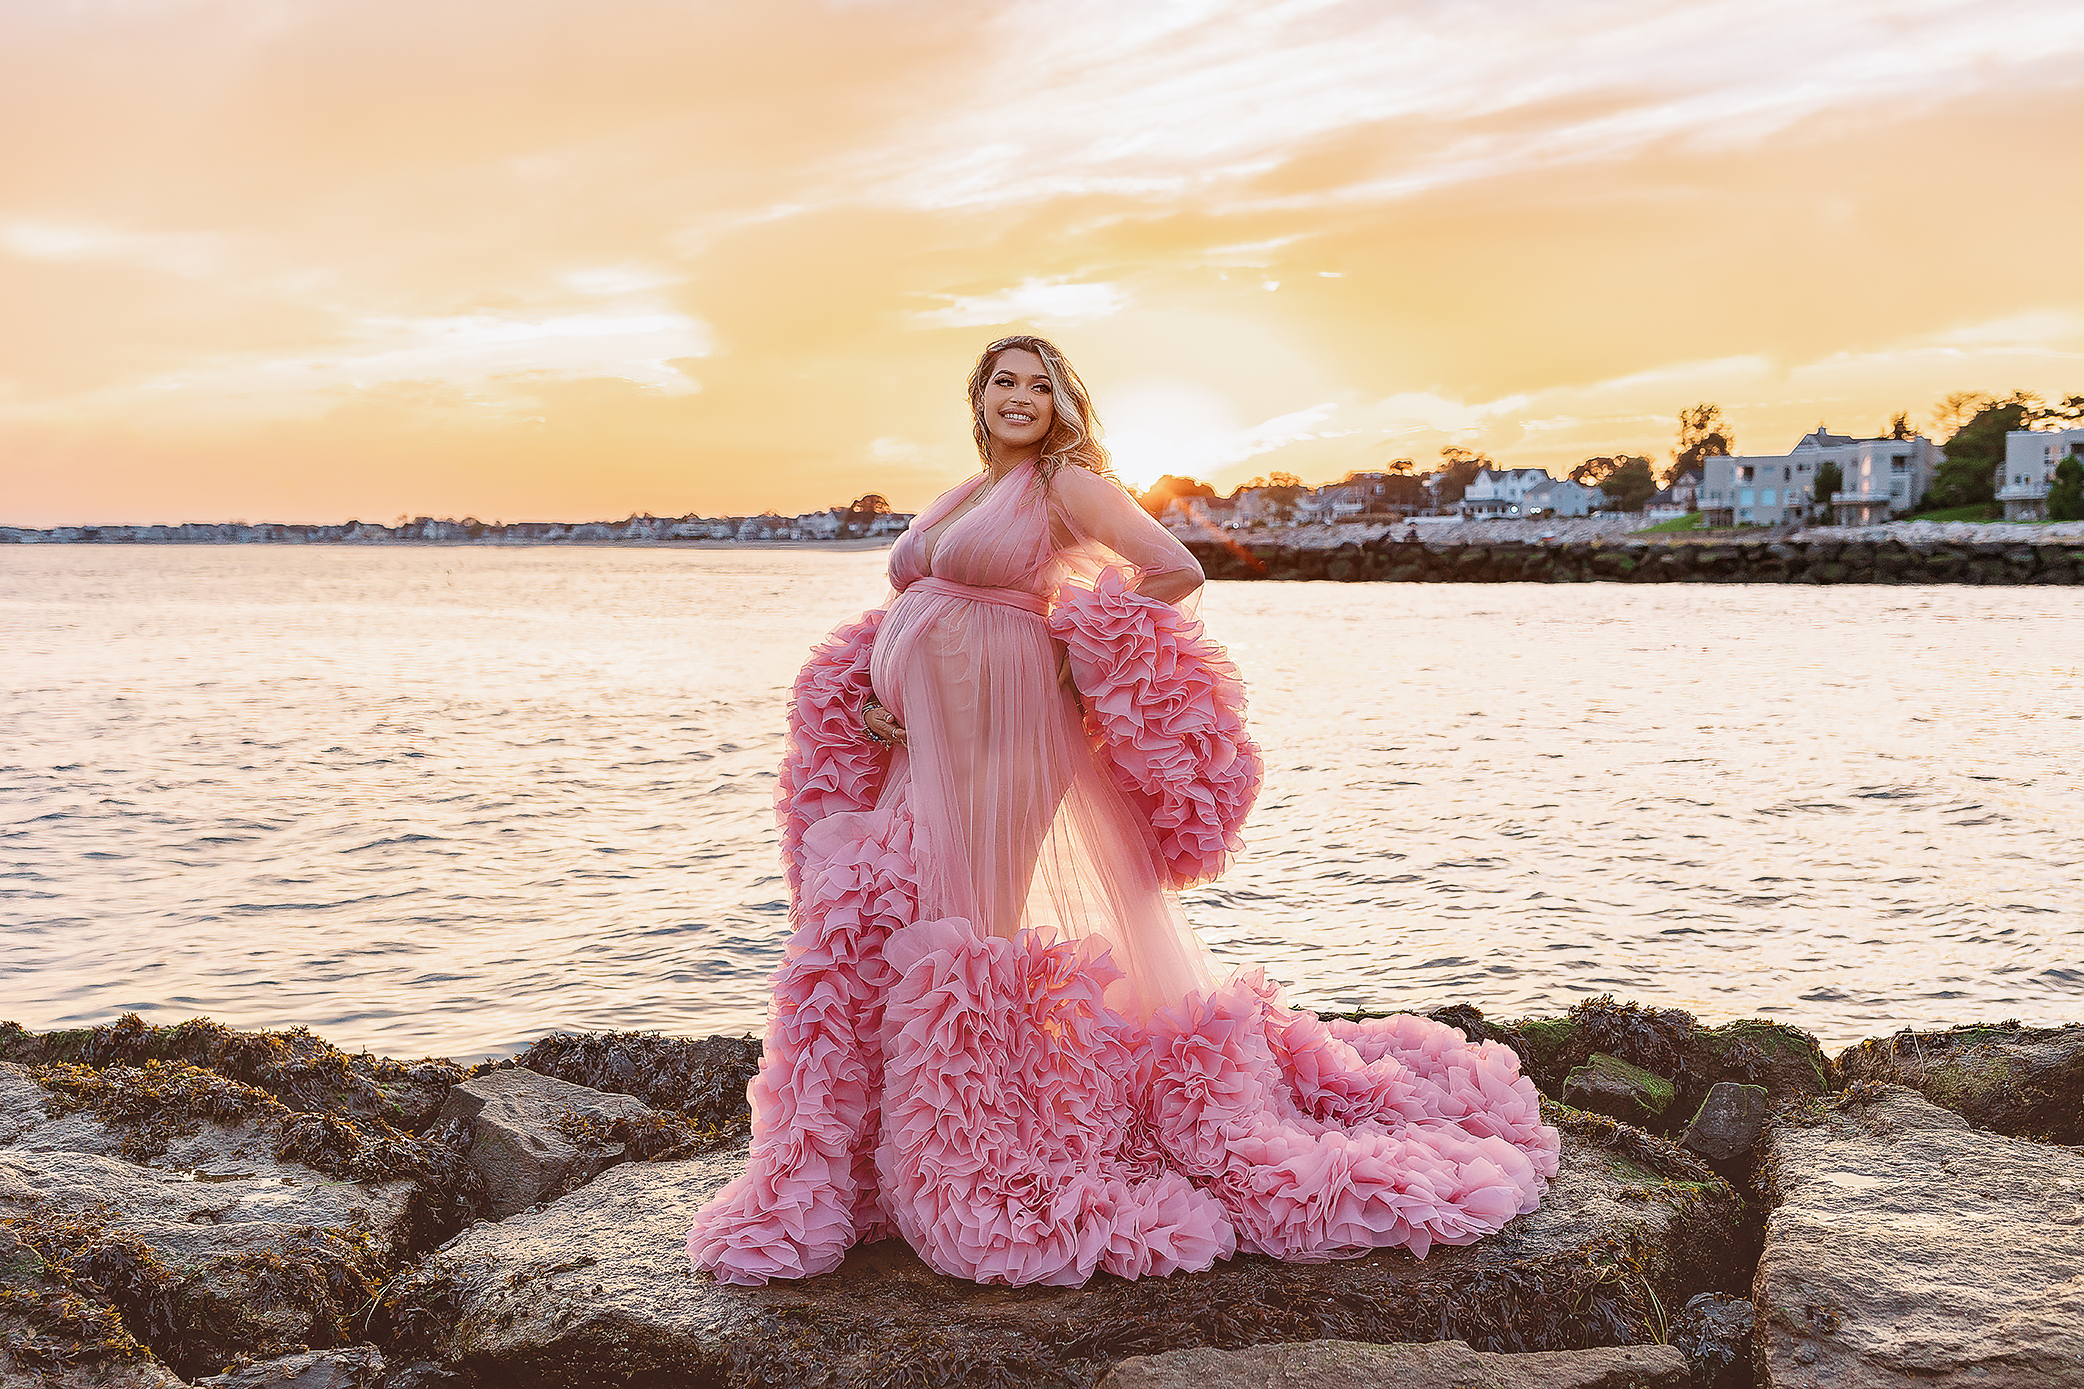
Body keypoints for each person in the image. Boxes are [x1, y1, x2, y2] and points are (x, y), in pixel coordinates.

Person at [687, 335, 1558, 1289]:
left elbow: (1174, 567)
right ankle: (895, 1155)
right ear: (978, 401)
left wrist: (1075, 651)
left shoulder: (1068, 487)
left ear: (1065, 401)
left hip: (1011, 748)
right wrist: (883, 691)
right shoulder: (969, 494)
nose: (1021, 397)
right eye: (1003, 383)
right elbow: (925, 600)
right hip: (928, 753)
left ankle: (981, 1147)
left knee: (970, 929)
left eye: (1039, 384)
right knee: (897, 919)